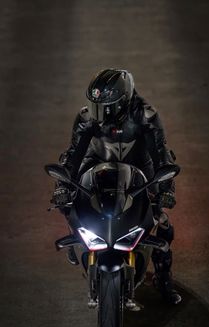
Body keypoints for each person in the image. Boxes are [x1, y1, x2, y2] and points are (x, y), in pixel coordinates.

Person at [52, 68, 182, 305]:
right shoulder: (86, 118)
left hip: (140, 165)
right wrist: (62, 186)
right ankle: (76, 235)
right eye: (94, 105)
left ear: (122, 102)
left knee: (162, 220)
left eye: (104, 106)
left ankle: (163, 278)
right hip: (96, 162)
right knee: (68, 198)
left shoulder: (146, 116)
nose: (97, 113)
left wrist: (166, 191)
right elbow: (73, 156)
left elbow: (163, 156)